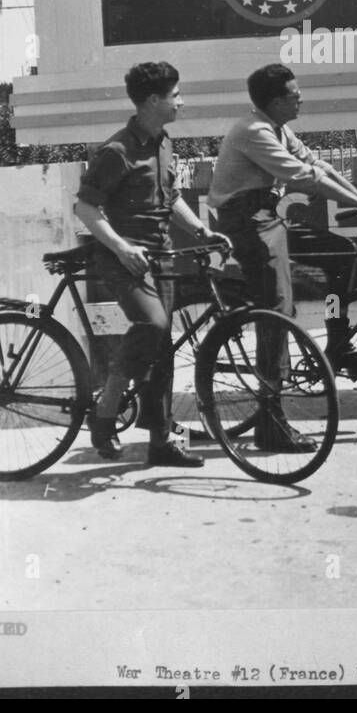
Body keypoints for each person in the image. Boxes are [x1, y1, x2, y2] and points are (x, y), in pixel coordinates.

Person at [208, 65, 357, 453]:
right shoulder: (254, 131)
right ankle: (271, 424)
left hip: (267, 215)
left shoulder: (277, 127)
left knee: (341, 256)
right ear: (276, 101)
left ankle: (338, 340)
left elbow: (319, 166)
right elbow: (302, 179)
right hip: (247, 222)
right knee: (277, 310)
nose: (301, 98)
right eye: (295, 94)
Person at [74, 61, 229, 467]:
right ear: (153, 100)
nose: (182, 102)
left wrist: (201, 232)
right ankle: (104, 413)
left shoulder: (163, 142)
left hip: (159, 256)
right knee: (153, 325)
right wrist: (123, 248)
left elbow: (171, 198)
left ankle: (160, 441)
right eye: (175, 95)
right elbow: (86, 208)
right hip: (123, 259)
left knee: (162, 349)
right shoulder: (117, 150)